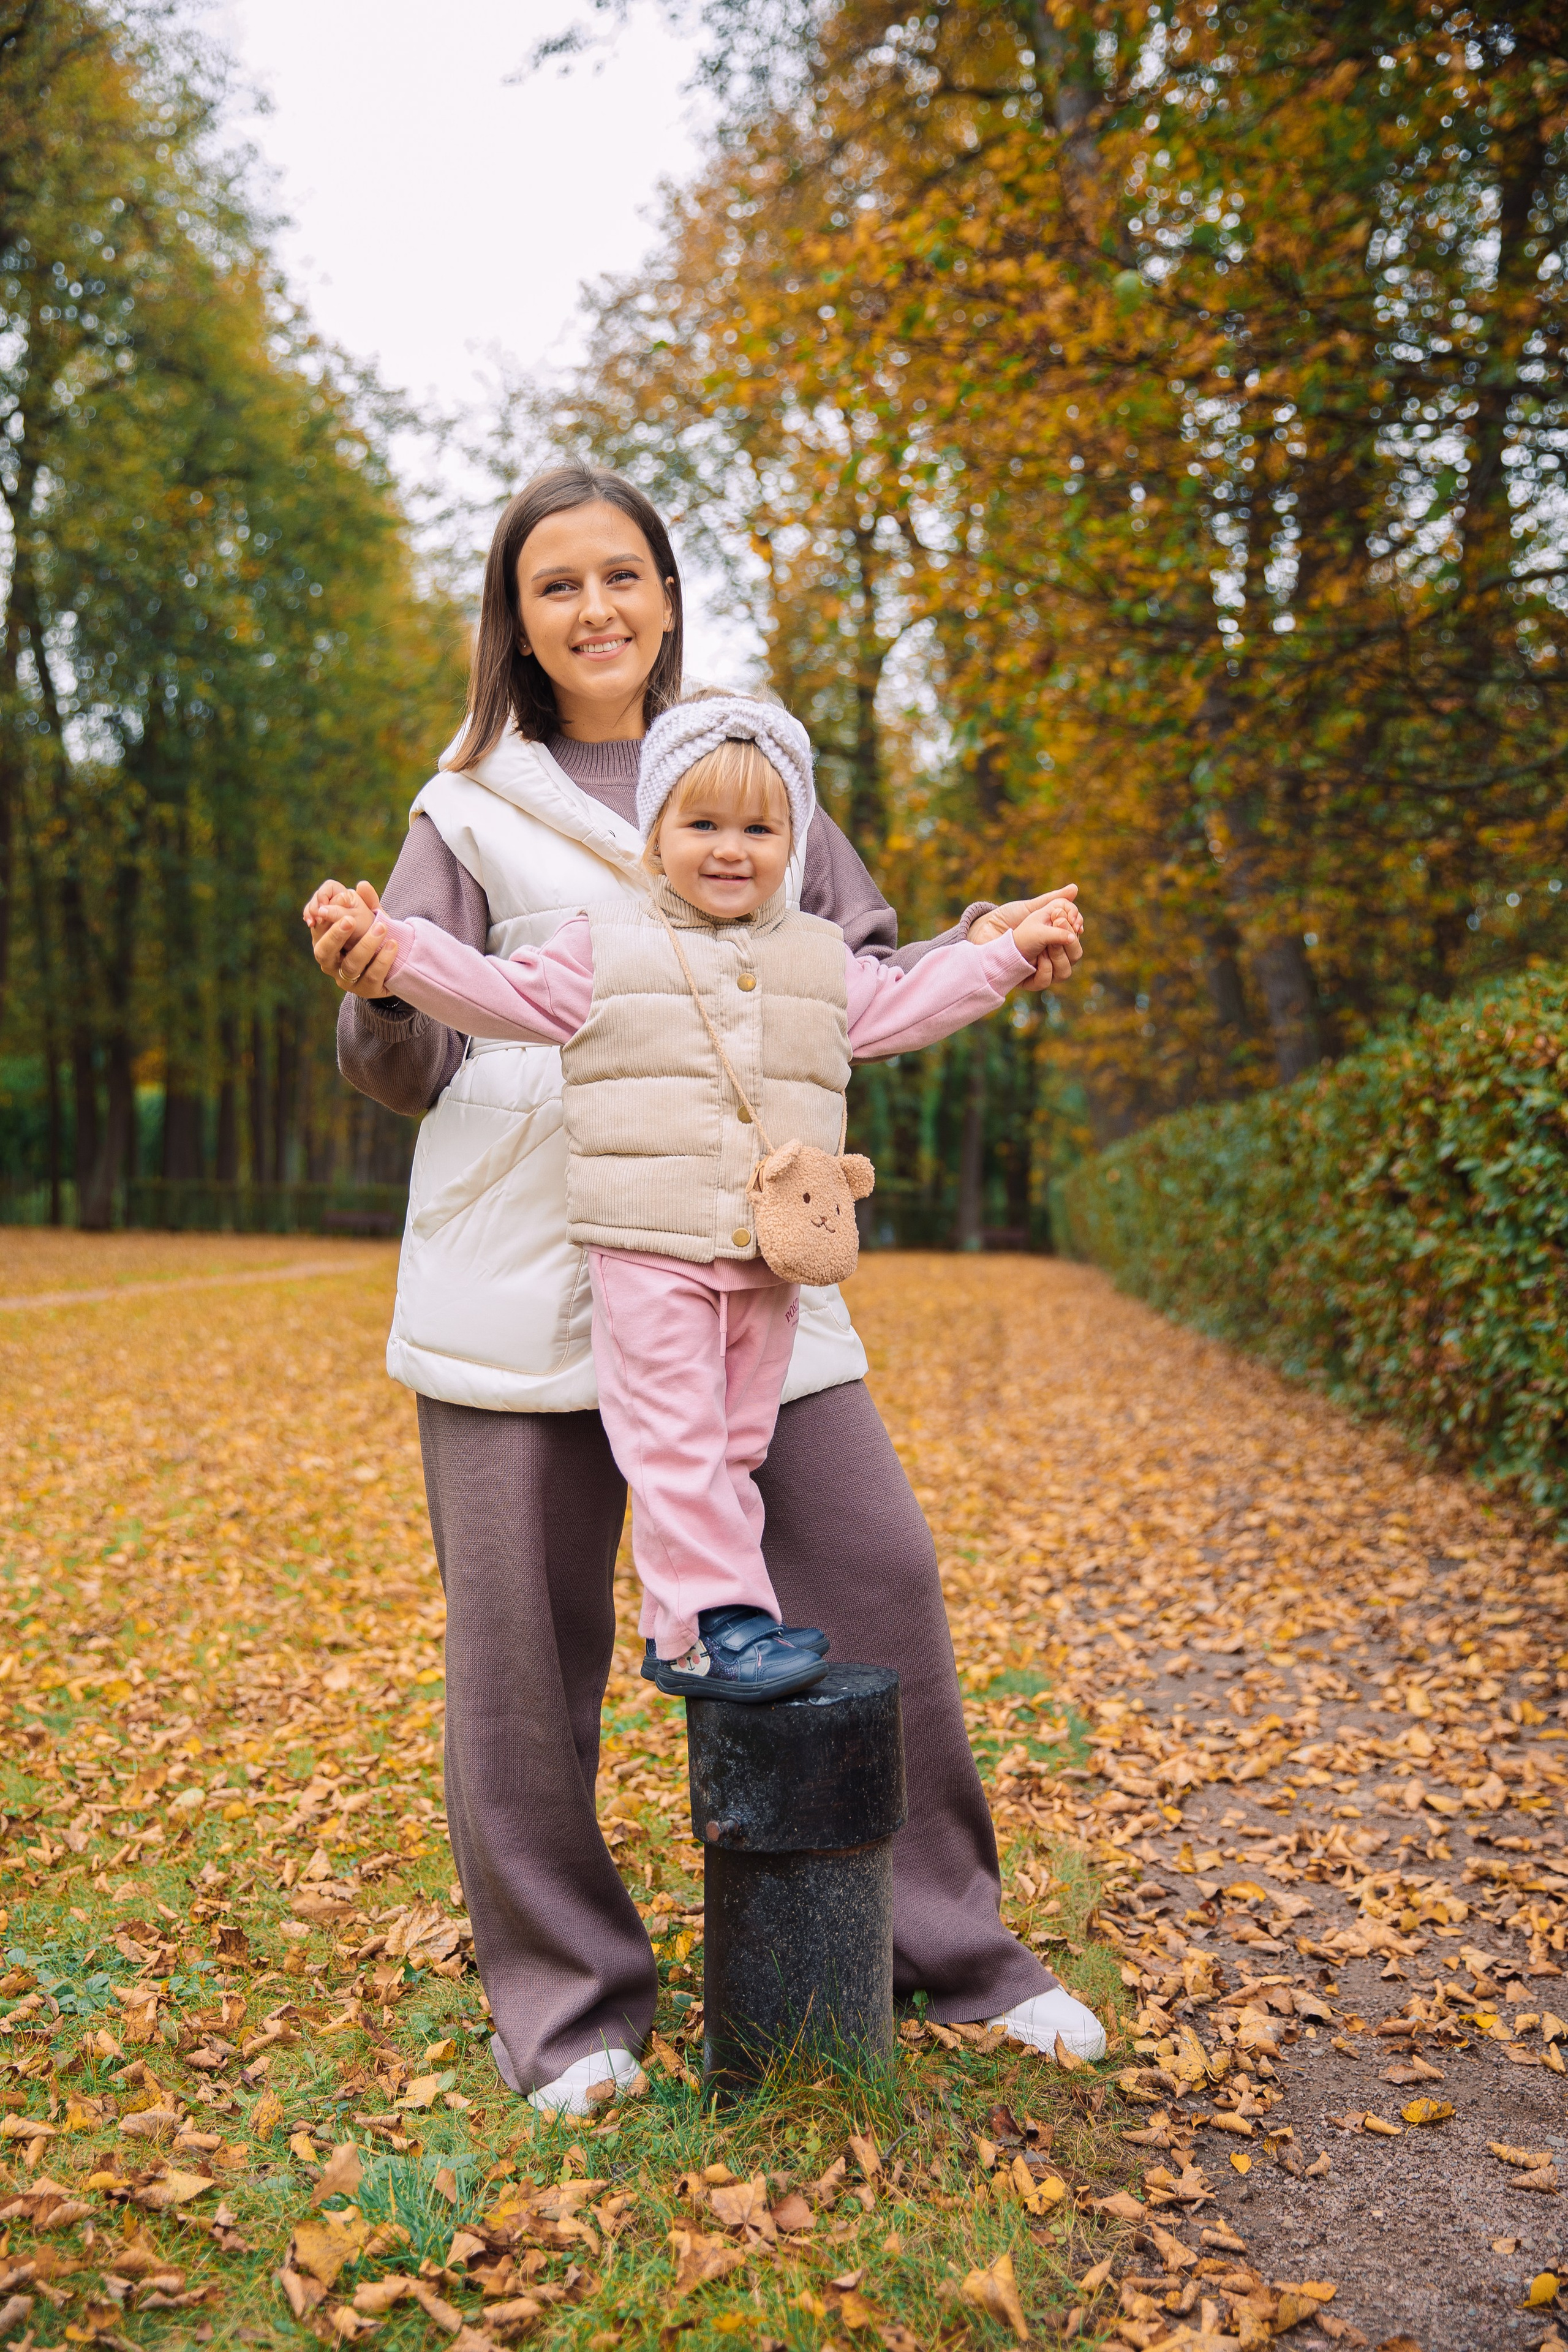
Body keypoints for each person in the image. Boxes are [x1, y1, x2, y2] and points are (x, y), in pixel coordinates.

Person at [311, 461, 1108, 2115]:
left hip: (754, 1249)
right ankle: (571, 2005)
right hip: (522, 1265)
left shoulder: (757, 769)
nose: (594, 607)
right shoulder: (465, 807)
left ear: (666, 596)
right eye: (556, 586)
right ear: (514, 624)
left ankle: (952, 1947)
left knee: (876, 1570)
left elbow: (860, 974)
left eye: (622, 575)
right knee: (526, 1657)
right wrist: (382, 995)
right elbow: (406, 1048)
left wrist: (999, 941)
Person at [306, 690, 1084, 1711]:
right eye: (702, 825)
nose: (731, 850)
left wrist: (1008, 954)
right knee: (672, 1437)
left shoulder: (817, 961)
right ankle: (723, 1623)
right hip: (645, 1245)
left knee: (737, 1443)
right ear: (656, 834)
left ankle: (686, 1626)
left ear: (795, 843)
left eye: (760, 830)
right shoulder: (605, 945)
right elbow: (492, 989)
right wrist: (393, 951)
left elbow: (911, 1000)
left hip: (769, 1252)